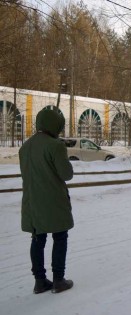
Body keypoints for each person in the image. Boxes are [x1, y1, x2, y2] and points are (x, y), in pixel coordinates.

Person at [19, 108, 74, 294]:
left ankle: (40, 281)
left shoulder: (25, 147)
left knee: (37, 239)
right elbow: (67, 174)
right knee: (60, 237)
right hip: (54, 202)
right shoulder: (55, 145)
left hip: (32, 202)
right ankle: (59, 280)